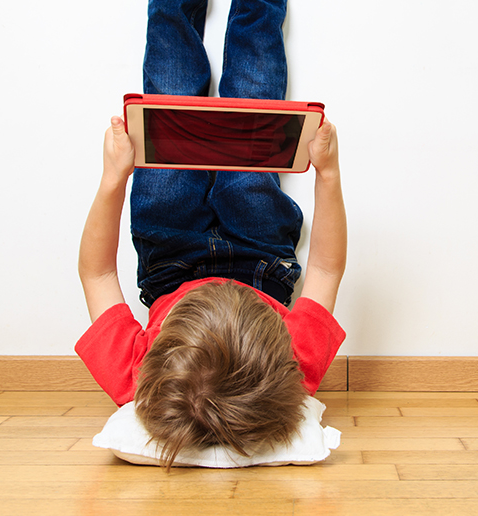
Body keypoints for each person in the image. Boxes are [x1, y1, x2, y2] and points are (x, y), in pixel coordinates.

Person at [75, 0, 347, 469]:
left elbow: (96, 274)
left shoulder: (138, 378)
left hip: (169, 252)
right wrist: (329, 174)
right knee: (255, 100)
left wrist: (113, 179)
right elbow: (326, 267)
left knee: (170, 91)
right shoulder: (291, 368)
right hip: (260, 256)